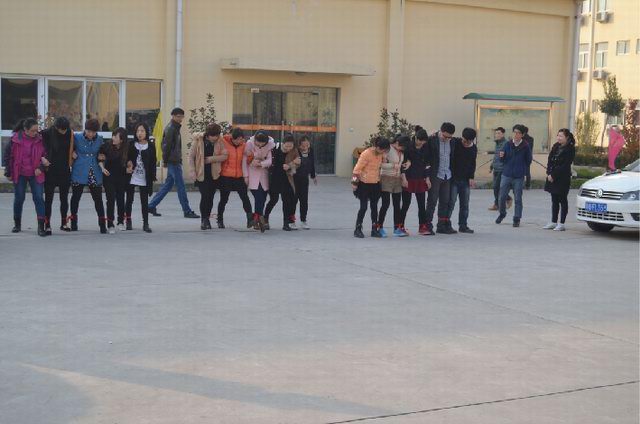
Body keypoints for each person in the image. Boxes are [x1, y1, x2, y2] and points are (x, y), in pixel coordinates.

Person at [148, 107, 199, 219]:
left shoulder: (175, 127)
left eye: (182, 116)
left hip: (174, 160)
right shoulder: (171, 128)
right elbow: (165, 146)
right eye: (178, 116)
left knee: (168, 185)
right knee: (181, 187)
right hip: (173, 161)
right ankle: (187, 211)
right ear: (173, 116)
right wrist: (165, 161)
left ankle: (151, 206)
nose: (180, 119)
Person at [4, 118, 47, 236]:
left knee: (38, 198)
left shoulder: (41, 140)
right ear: (25, 130)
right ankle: (17, 224)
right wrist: (8, 172)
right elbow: (7, 156)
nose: (35, 133)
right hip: (20, 173)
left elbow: (46, 155)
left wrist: (41, 167)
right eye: (33, 131)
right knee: (19, 198)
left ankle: (41, 227)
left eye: (37, 130)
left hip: (36, 174)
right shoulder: (14, 140)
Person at [69, 119, 107, 233]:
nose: (91, 134)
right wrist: (71, 153)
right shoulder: (76, 137)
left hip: (94, 171)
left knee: (98, 199)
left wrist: (102, 157)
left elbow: (102, 154)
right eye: (89, 131)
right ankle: (73, 222)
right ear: (85, 129)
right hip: (79, 170)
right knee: (76, 197)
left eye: (93, 132)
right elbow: (69, 148)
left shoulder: (100, 139)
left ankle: (102, 224)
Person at [189, 123, 228, 230]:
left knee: (210, 197)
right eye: (213, 136)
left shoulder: (220, 141)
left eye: (217, 135)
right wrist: (192, 170)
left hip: (214, 174)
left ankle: (207, 218)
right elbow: (191, 157)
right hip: (201, 173)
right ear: (207, 134)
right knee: (205, 196)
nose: (215, 138)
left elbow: (225, 156)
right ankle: (204, 219)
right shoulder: (198, 140)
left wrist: (211, 159)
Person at [352, 137, 390, 238]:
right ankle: (358, 228)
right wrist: (354, 184)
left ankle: (374, 229)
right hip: (364, 184)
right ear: (377, 147)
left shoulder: (381, 154)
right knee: (363, 207)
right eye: (383, 150)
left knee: (374, 207)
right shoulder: (366, 154)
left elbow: (383, 165)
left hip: (375, 183)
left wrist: (385, 158)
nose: (383, 152)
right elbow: (357, 170)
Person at [496, 124, 532, 227]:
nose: (516, 135)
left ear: (522, 135)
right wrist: (501, 156)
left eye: (518, 133)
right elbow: (502, 159)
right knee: (501, 197)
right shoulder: (507, 144)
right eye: (514, 132)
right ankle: (502, 213)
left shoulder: (525, 146)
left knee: (518, 198)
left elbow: (528, 160)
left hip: (518, 176)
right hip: (506, 174)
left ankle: (517, 218)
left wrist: (522, 169)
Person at [42, 117, 73, 234]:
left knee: (64, 199)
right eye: (61, 130)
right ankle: (47, 225)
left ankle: (64, 223)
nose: (64, 132)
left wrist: (74, 152)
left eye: (65, 129)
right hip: (50, 171)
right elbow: (37, 146)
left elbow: (74, 146)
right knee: (48, 199)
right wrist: (42, 158)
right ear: (56, 127)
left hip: (64, 170)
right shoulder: (47, 133)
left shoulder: (70, 133)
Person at [217, 127, 254, 229]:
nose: (239, 141)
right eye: (237, 139)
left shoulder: (244, 146)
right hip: (226, 176)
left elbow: (248, 161)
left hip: (239, 176)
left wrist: (250, 156)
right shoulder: (224, 142)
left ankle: (250, 219)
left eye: (241, 139)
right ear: (232, 138)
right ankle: (220, 219)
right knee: (224, 199)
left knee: (245, 198)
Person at [264, 133, 300, 231]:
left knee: (286, 201)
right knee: (273, 200)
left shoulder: (294, 151)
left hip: (287, 179)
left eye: (290, 146)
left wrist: (290, 165)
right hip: (274, 179)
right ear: (283, 143)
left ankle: (286, 223)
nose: (288, 148)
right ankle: (265, 219)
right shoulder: (275, 149)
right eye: (286, 146)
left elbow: (298, 163)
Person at [425, 122, 456, 235]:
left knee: (445, 202)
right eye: (445, 136)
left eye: (449, 137)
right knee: (432, 201)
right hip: (435, 175)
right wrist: (427, 176)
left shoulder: (452, 141)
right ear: (440, 131)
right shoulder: (431, 140)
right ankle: (427, 225)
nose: (447, 139)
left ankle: (441, 226)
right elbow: (426, 158)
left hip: (447, 175)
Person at [125, 122, 157, 233]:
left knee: (144, 201)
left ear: (146, 132)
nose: (140, 133)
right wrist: (128, 164)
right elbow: (126, 158)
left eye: (142, 131)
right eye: (138, 131)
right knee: (129, 200)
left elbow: (153, 162)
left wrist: (152, 176)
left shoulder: (151, 146)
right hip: (132, 176)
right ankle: (128, 221)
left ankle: (146, 223)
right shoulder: (131, 144)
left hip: (144, 177)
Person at [543, 129, 576, 232]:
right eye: (558, 135)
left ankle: (561, 223)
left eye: (561, 136)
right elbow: (550, 160)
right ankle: (553, 222)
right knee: (554, 200)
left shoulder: (570, 149)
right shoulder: (555, 146)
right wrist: (549, 173)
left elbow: (565, 165)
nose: (558, 138)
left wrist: (553, 175)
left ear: (567, 137)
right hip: (552, 177)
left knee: (562, 200)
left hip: (562, 178)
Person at [399, 127, 430, 236]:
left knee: (421, 204)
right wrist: (403, 178)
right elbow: (403, 164)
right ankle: (400, 226)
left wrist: (427, 178)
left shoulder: (426, 148)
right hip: (408, 178)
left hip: (420, 179)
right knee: (406, 204)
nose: (421, 143)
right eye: (419, 140)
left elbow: (427, 163)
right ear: (415, 138)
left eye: (423, 141)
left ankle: (422, 226)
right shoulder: (408, 147)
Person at [377, 134, 409, 237]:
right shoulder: (388, 149)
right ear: (397, 143)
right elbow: (380, 164)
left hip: (397, 179)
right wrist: (392, 165)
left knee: (397, 205)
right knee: (385, 204)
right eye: (402, 147)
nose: (403, 149)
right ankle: (379, 227)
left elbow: (401, 164)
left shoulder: (401, 152)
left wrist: (407, 163)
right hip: (386, 178)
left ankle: (397, 228)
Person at [447, 128, 478, 234]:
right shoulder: (455, 142)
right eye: (464, 140)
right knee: (451, 202)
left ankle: (463, 225)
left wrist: (471, 177)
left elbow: (473, 163)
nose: (465, 143)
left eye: (467, 142)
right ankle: (446, 224)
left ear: (472, 140)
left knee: (465, 204)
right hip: (454, 179)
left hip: (465, 180)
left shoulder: (473, 148)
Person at [243, 131, 274, 232]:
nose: (260, 145)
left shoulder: (270, 145)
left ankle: (257, 218)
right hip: (252, 174)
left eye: (262, 143)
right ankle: (259, 218)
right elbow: (244, 160)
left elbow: (270, 160)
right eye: (258, 142)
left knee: (263, 198)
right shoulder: (249, 144)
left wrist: (261, 163)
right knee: (258, 197)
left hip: (264, 175)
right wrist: (246, 176)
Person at [102, 127, 130, 233]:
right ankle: (110, 224)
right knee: (110, 200)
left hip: (121, 177)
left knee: (121, 199)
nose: (113, 138)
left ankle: (120, 222)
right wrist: (102, 167)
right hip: (109, 177)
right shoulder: (106, 146)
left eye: (116, 136)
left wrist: (130, 165)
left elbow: (130, 161)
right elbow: (98, 157)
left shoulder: (127, 148)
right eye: (113, 135)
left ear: (121, 139)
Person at [293, 135, 317, 229]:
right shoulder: (295, 151)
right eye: (303, 146)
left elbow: (312, 163)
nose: (305, 147)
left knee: (304, 201)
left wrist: (313, 176)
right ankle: (291, 220)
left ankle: (303, 220)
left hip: (304, 179)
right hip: (295, 179)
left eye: (307, 145)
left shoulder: (311, 151)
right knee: (294, 200)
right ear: (299, 145)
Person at [489, 127, 512, 211]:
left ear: (503, 134)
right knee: (496, 188)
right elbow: (496, 157)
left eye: (499, 133)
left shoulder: (506, 144)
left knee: (497, 187)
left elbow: (508, 157)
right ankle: (498, 203)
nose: (497, 135)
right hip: (496, 168)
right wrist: (491, 166)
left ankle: (505, 200)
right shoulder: (497, 143)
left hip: (502, 169)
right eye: (496, 133)